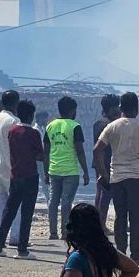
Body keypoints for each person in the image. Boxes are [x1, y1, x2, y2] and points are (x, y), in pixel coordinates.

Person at [95, 92, 139, 265]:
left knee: (120, 217)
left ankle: (120, 255)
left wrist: (103, 174)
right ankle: (136, 256)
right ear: (136, 109)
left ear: (120, 108)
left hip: (117, 179)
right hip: (137, 178)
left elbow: (97, 150)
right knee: (136, 218)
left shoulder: (112, 127)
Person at [0, 99, 44, 257]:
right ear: (31, 115)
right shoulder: (34, 133)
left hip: (15, 175)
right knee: (27, 213)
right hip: (30, 176)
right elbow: (40, 155)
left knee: (9, 211)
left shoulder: (12, 131)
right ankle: (22, 249)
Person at [44, 96, 89, 241]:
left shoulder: (50, 126)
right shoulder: (75, 126)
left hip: (54, 169)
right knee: (66, 202)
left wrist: (46, 171)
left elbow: (46, 151)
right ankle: (64, 232)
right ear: (73, 110)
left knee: (53, 201)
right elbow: (80, 151)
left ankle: (52, 232)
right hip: (70, 171)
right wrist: (86, 171)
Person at [0, 89, 23, 250]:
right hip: (9, 165)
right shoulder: (14, 121)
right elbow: (17, 147)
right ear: (16, 103)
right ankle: (14, 237)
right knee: (15, 202)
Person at [92, 94, 121, 227]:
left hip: (100, 163)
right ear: (110, 108)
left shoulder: (99, 123)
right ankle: (101, 225)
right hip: (106, 163)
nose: (118, 110)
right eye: (116, 107)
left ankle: (99, 224)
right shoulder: (107, 125)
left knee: (100, 194)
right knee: (105, 195)